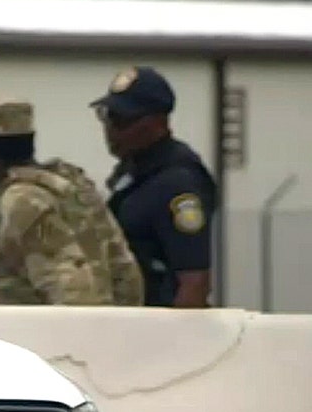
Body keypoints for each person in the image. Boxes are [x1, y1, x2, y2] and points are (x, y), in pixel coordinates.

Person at [0, 99, 143, 306]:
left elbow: (70, 290)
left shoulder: (24, 201)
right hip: (107, 327)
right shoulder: (74, 188)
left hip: (39, 334)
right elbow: (125, 273)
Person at [90, 66, 218, 308]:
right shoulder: (134, 171)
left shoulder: (178, 183)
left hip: (156, 325)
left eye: (121, 120)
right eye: (107, 116)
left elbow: (194, 282)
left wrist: (176, 342)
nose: (110, 129)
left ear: (157, 123)